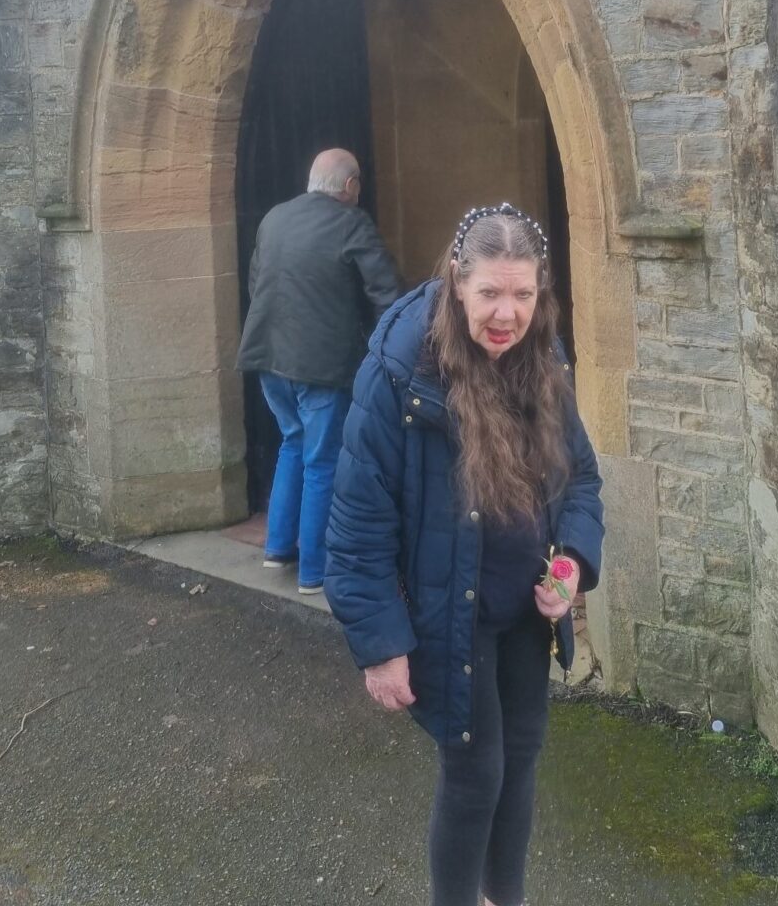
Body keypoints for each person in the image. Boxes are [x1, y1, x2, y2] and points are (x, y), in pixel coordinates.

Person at [325, 202, 604, 906]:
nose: (507, 314)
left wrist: (571, 562)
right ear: (457, 282)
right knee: (475, 773)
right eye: (489, 293)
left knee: (522, 761)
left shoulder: (544, 355)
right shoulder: (400, 370)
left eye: (523, 294)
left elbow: (581, 478)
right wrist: (381, 646)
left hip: (527, 609)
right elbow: (357, 524)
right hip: (451, 609)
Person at [236, 148, 401, 590]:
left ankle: (277, 550)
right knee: (322, 460)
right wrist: (386, 346)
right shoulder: (352, 223)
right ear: (350, 185)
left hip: (269, 357)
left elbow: (256, 284)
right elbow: (386, 293)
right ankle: (315, 571)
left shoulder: (274, 217)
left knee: (293, 442)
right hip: (322, 366)